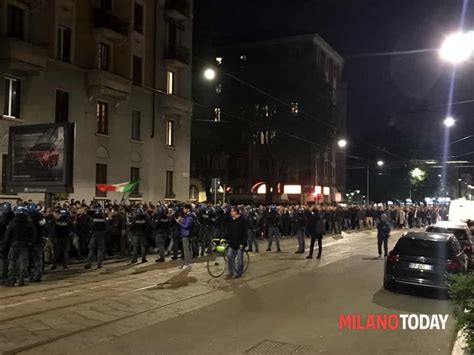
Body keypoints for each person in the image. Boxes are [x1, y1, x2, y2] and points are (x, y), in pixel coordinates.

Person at [4, 206, 36, 286]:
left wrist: (5, 246)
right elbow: (33, 236)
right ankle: (21, 280)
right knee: (23, 263)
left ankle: (11, 280)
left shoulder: (12, 223)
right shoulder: (28, 224)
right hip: (24, 246)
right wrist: (30, 244)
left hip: (14, 245)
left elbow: (7, 236)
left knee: (12, 263)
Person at [226, 206, 247, 279]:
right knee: (229, 256)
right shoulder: (231, 220)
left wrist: (243, 243)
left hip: (240, 243)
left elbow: (245, 232)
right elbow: (229, 231)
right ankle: (231, 271)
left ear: (236, 212)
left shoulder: (242, 220)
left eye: (232, 211)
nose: (231, 213)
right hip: (232, 242)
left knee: (239, 260)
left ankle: (239, 272)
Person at [28, 203, 45, 282]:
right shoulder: (41, 218)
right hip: (38, 241)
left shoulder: (33, 220)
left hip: (35, 242)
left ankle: (36, 275)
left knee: (36, 260)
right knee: (37, 260)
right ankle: (36, 275)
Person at [176, 204, 194, 269]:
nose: (183, 210)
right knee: (188, 250)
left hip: (186, 235)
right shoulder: (189, 216)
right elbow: (186, 222)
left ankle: (187, 264)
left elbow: (186, 226)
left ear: (188, 209)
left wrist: (179, 222)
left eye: (184, 209)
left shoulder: (189, 216)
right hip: (187, 234)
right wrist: (182, 219)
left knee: (186, 250)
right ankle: (189, 263)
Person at [0, 203, 14, 285]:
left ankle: (3, 276)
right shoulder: (14, 218)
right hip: (12, 242)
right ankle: (10, 277)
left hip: (3, 242)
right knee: (11, 260)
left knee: (3, 259)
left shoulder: (2, 220)